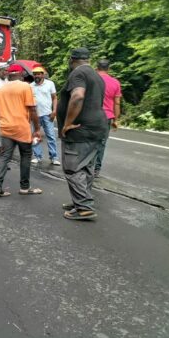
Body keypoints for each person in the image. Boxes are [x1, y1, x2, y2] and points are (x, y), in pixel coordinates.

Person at [57, 48, 107, 221]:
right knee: (86, 167)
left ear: (72, 60)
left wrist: (68, 122)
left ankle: (84, 207)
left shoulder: (78, 73)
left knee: (73, 168)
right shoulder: (97, 76)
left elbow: (78, 96)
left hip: (80, 130)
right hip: (97, 128)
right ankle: (79, 201)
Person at [0, 65, 42, 198]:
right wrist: (37, 129)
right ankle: (25, 187)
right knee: (25, 156)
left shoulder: (0, 89)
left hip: (6, 128)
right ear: (21, 73)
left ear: (8, 75)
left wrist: (1, 114)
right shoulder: (25, 87)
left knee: (4, 157)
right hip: (21, 128)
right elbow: (32, 109)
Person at [94, 59, 122, 177]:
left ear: (97, 68)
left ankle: (86, 165)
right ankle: (96, 169)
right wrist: (116, 120)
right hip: (107, 117)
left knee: (88, 141)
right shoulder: (115, 82)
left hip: (91, 115)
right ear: (108, 69)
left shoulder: (92, 80)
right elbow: (117, 103)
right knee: (101, 142)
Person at [30, 66, 60, 165]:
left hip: (47, 114)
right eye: (35, 74)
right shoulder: (30, 86)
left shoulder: (50, 84)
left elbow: (54, 98)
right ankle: (37, 156)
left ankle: (54, 157)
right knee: (35, 136)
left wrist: (54, 111)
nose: (36, 76)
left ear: (43, 74)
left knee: (51, 136)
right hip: (35, 116)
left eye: (38, 74)